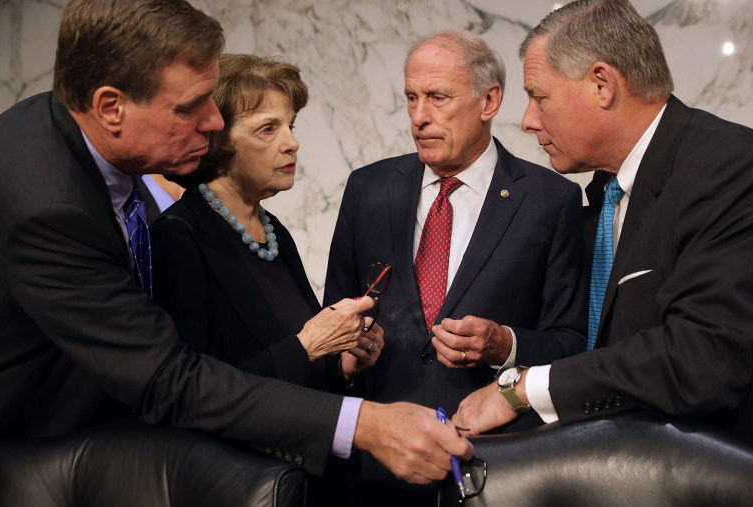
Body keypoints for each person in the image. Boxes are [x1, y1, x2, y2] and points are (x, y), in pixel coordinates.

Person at [0, 0, 472, 489]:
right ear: (110, 107)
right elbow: (169, 381)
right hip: (36, 457)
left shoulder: (75, 131)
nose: (215, 123)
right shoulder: (51, 208)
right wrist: (365, 424)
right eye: (189, 106)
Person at [454, 0, 753, 447]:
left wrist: (521, 392)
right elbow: (590, 348)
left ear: (601, 85)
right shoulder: (601, 197)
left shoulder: (729, 167)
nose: (528, 121)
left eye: (539, 95)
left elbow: (702, 359)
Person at [324, 29, 587, 505]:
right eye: (411, 98)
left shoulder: (553, 201)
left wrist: (505, 344)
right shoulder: (367, 189)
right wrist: (345, 362)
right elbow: (330, 325)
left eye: (437, 97)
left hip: (497, 468)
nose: (419, 117)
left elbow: (574, 341)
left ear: (489, 101)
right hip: (376, 471)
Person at [149, 54, 385, 504]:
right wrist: (311, 344)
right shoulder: (179, 238)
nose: (293, 143)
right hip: (238, 487)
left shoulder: (274, 231)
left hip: (305, 479)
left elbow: (295, 369)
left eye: (292, 125)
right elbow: (190, 396)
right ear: (217, 139)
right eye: (268, 129)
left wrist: (343, 362)